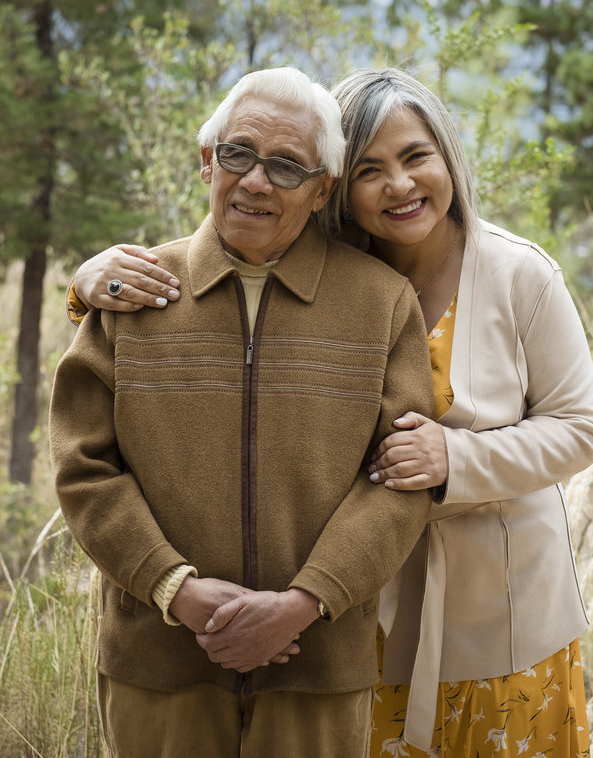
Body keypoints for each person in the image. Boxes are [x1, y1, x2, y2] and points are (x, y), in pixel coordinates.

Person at [68, 67, 593, 758]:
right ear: (339, 190)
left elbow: (580, 426)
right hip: (358, 622)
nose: (400, 185)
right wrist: (84, 290)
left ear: (449, 157)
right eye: (371, 169)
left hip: (492, 604)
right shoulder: (330, 274)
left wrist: (454, 458)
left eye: (416, 157)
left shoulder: (513, 275)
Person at [49, 66, 437, 758]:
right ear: (208, 163)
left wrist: (302, 603)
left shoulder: (381, 304)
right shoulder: (132, 294)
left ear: (322, 192)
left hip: (316, 665)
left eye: (287, 166)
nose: (255, 181)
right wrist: (178, 590)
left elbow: (399, 482)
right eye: (238, 154)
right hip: (159, 661)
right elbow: (84, 469)